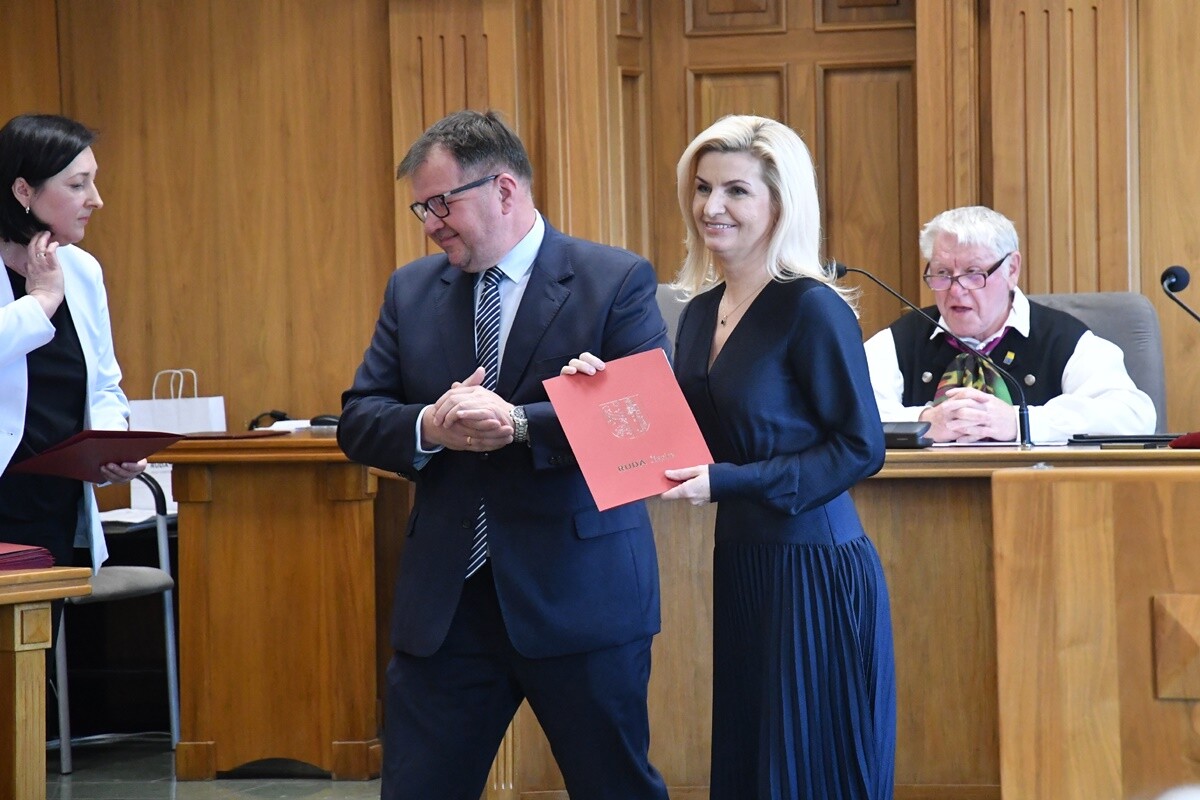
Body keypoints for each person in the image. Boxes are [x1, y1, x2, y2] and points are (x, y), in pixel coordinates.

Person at [337, 110, 670, 800]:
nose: (430, 225)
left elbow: (646, 423)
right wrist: (430, 425)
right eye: (421, 209)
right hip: (448, 605)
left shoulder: (614, 280)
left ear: (505, 190)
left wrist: (518, 424)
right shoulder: (410, 290)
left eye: (441, 204)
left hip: (579, 596)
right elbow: (359, 419)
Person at [564, 115, 895, 799]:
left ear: (780, 204)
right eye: (702, 188)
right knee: (753, 761)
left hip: (813, 567)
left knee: (805, 768)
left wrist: (727, 482)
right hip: (743, 559)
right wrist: (601, 390)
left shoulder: (813, 308)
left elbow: (861, 448)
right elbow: (689, 434)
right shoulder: (699, 310)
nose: (711, 206)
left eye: (736, 190)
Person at [864, 205, 1156, 443]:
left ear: (1012, 269)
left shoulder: (1064, 339)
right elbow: (849, 415)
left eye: (973, 273)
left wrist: (1021, 422)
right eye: (942, 273)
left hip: (1039, 490)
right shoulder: (899, 340)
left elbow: (1133, 415)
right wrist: (923, 422)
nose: (955, 290)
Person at [1, 113, 144, 575]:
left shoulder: (82, 269)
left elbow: (103, 385)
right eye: (78, 185)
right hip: (3, 498)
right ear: (24, 191)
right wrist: (41, 301)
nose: (95, 200)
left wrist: (112, 447)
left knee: (45, 625)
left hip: (53, 508)